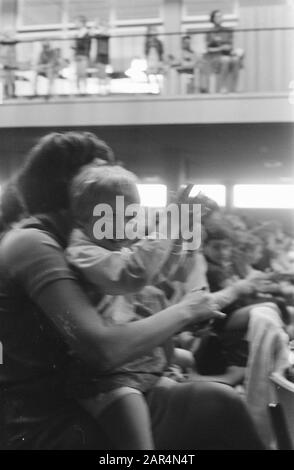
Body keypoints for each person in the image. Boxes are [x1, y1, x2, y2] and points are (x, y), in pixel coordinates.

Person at [0, 132, 264, 450]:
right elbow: (102, 350)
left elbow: (156, 274)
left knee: (219, 403)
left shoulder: (84, 236)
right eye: (100, 176)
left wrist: (183, 222)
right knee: (213, 408)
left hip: (94, 390)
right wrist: (186, 311)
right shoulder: (32, 241)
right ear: (67, 187)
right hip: (52, 416)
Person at [199, 10, 242, 93]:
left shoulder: (228, 31)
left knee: (236, 60)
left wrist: (230, 49)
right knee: (225, 60)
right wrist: (221, 48)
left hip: (227, 55)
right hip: (214, 58)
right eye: (217, 16)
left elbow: (230, 46)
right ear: (213, 19)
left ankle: (235, 88)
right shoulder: (209, 33)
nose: (219, 18)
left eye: (221, 16)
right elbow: (209, 49)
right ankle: (223, 87)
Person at [74, 16, 91, 94]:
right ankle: (79, 90)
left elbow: (85, 45)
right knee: (78, 74)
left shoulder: (86, 33)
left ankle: (84, 90)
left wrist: (76, 45)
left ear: (82, 23)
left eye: (77, 22)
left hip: (83, 55)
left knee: (82, 73)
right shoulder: (78, 33)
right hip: (78, 55)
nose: (75, 24)